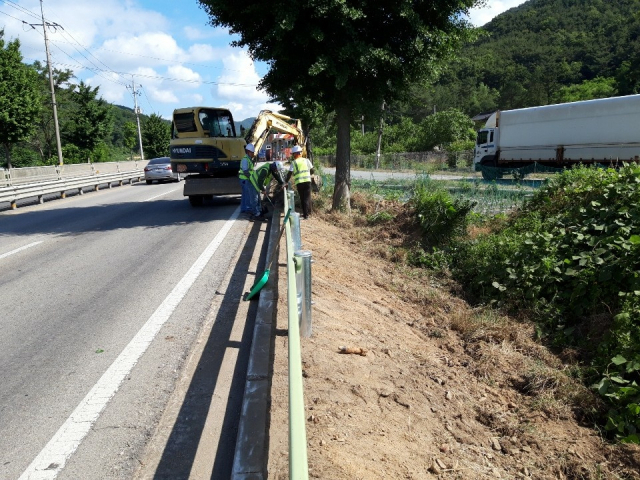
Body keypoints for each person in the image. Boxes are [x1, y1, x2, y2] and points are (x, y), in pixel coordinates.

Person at [285, 145, 314, 219]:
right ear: (300, 153)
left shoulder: (293, 162)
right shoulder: (306, 160)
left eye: (293, 154)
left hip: (299, 182)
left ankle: (305, 214)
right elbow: (312, 170)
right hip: (307, 181)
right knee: (307, 198)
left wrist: (285, 182)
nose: (293, 155)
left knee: (302, 198)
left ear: (295, 154)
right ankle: (306, 214)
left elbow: (289, 174)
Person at [239, 143, 260, 218]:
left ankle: (244, 209)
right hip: (245, 179)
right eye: (252, 152)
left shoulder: (248, 159)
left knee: (245, 194)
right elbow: (245, 171)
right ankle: (247, 209)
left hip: (245, 179)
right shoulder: (245, 159)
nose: (253, 154)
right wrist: (251, 178)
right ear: (248, 151)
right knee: (247, 194)